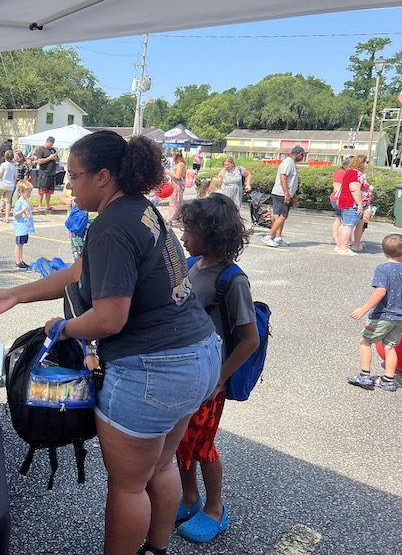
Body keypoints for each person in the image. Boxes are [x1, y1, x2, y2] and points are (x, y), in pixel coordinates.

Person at [0, 131, 220, 555]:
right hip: (198, 355)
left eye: (74, 176)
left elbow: (109, 318)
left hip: (153, 372)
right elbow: (76, 273)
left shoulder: (110, 227)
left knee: (127, 487)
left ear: (103, 176)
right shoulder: (140, 210)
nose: (68, 185)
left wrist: (61, 328)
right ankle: (155, 548)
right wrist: (15, 294)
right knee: (160, 464)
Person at [175, 193, 260, 543]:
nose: (183, 238)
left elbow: (249, 339)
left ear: (211, 233)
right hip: (189, 375)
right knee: (182, 442)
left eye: (190, 231)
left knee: (204, 446)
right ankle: (189, 497)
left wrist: (220, 378)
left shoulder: (233, 281)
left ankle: (215, 508)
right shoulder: (194, 265)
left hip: (212, 382)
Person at [348, 233, 402, 392]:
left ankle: (364, 376)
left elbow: (380, 291)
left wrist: (363, 309)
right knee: (390, 347)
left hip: (382, 316)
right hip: (401, 318)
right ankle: (388, 380)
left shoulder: (382, 269)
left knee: (365, 341)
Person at [262, 145, 306, 247]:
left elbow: (292, 182)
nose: (303, 157)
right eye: (302, 155)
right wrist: (286, 194)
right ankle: (268, 236)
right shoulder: (288, 163)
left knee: (281, 216)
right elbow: (283, 177)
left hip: (284, 193)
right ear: (298, 154)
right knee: (283, 216)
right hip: (281, 194)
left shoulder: (291, 163)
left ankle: (278, 238)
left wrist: (294, 196)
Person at [334, 154, 367, 256]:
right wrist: (360, 204)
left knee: (344, 224)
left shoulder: (349, 172)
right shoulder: (356, 174)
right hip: (351, 203)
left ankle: (340, 246)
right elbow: (354, 189)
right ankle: (343, 248)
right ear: (360, 163)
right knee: (348, 226)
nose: (367, 164)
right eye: (366, 162)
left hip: (345, 202)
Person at [12, 180, 35, 269]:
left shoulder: (25, 201)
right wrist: (22, 210)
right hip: (20, 227)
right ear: (21, 192)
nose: (29, 194)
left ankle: (21, 260)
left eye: (30, 192)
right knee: (18, 244)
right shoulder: (19, 202)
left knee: (21, 244)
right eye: (28, 192)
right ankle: (18, 261)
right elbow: (15, 214)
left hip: (25, 227)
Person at [330, 157, 352, 245]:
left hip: (340, 199)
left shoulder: (343, 172)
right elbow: (337, 186)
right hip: (338, 200)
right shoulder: (341, 173)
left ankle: (337, 238)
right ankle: (338, 238)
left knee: (339, 218)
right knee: (343, 220)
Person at [34, 136, 59, 211]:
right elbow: (39, 161)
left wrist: (55, 158)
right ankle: (39, 205)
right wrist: (49, 158)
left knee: (49, 190)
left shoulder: (53, 150)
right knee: (42, 190)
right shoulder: (41, 150)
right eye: (50, 144)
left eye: (52, 144)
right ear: (47, 142)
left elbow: (57, 159)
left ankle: (47, 205)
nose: (51, 146)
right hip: (44, 173)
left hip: (52, 173)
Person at [165, 149, 187, 224]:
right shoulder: (179, 164)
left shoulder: (180, 164)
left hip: (177, 186)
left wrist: (169, 172)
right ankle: (175, 218)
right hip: (175, 185)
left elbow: (178, 176)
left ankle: (175, 218)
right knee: (174, 202)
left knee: (175, 203)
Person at [0, 151, 17, 221]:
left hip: (2, 183)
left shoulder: (3, 165)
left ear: (5, 157)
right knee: (8, 201)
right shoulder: (14, 166)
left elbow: (0, 175)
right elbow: (15, 177)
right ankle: (7, 217)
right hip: (10, 185)